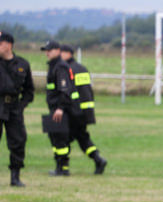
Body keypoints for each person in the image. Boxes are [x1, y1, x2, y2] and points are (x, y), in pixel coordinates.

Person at [60, 44, 107, 174]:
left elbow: (70, 91)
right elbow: (87, 91)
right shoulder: (81, 68)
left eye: (61, 53)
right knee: (81, 137)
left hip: (75, 110)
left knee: (64, 138)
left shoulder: (67, 69)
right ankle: (98, 159)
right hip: (85, 110)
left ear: (68, 53)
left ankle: (62, 167)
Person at [0, 31, 33, 187]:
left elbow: (29, 90)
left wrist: (21, 107)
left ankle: (15, 176)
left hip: (14, 107)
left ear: (8, 45)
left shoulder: (22, 64)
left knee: (18, 141)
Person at [41, 40, 78, 176]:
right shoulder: (54, 65)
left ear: (57, 50)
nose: (47, 53)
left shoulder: (60, 67)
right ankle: (60, 167)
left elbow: (64, 89)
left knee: (60, 138)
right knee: (55, 137)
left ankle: (62, 168)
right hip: (54, 108)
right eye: (46, 50)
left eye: (49, 50)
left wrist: (60, 108)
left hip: (59, 109)